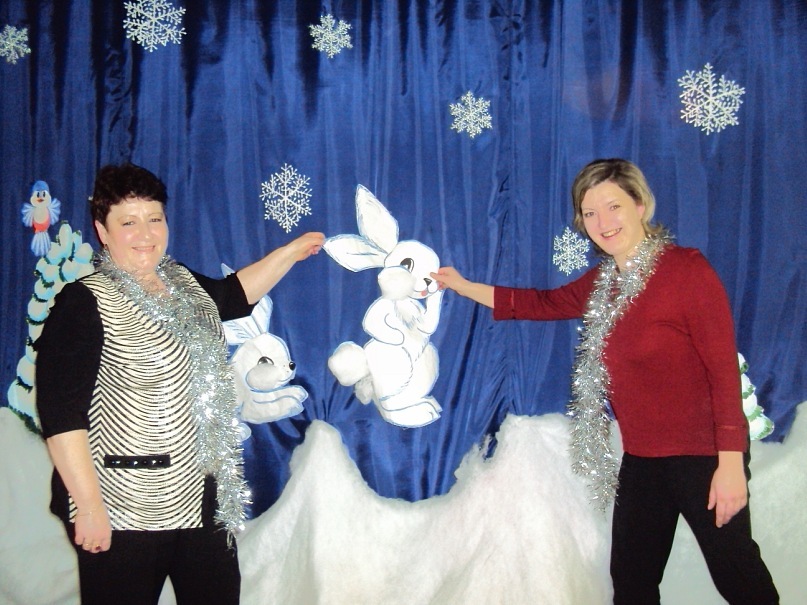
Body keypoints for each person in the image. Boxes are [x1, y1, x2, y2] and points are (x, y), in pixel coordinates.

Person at [431, 158, 778, 605]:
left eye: (613, 206)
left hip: (704, 456)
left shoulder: (687, 271)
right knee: (631, 584)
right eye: (590, 213)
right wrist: (463, 286)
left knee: (739, 578)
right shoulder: (603, 282)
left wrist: (730, 466)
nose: (603, 222)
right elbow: (540, 303)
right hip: (644, 460)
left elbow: (723, 371)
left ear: (640, 205)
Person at [35, 163, 324, 605]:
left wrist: (290, 252)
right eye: (128, 223)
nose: (145, 233)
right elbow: (60, 417)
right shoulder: (84, 302)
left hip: (204, 500)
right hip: (124, 505)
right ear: (102, 231)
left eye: (154, 219)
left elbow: (233, 296)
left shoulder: (183, 282)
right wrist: (89, 507)